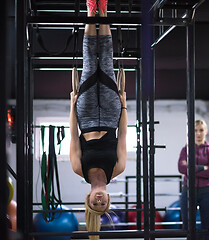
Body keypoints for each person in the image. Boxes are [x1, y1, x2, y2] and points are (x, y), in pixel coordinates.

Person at [69, 0, 127, 238]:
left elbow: (73, 135)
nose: (100, 201)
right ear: (108, 199)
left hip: (87, 115)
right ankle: (102, 10)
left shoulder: (78, 168)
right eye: (103, 204)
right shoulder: (118, 168)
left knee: (89, 61)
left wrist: (72, 106)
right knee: (106, 59)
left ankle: (90, 10)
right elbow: (123, 135)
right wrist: (124, 105)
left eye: (95, 203)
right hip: (113, 114)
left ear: (89, 198)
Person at [178, 120, 209, 240]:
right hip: (188, 191)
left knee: (207, 229)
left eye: (201, 130)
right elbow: (181, 168)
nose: (198, 133)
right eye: (195, 130)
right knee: (188, 229)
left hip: (207, 192)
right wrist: (201, 168)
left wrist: (190, 170)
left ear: (206, 131)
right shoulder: (186, 150)